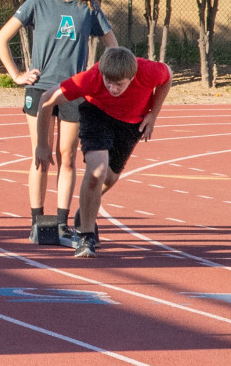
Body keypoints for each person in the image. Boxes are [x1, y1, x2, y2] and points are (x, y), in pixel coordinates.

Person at [0, 0, 118, 241]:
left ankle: (61, 223)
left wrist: (98, 78)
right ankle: (37, 221)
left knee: (68, 157)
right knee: (41, 155)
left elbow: (113, 47)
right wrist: (16, 75)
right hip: (39, 88)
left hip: (74, 91)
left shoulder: (89, 7)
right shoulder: (37, 3)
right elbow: (1, 39)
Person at [35, 47, 171, 258]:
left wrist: (154, 114)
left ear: (133, 77)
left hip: (130, 124)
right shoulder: (91, 78)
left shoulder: (149, 71)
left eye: (119, 84)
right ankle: (86, 236)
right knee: (96, 172)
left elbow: (167, 77)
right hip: (97, 114)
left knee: (110, 177)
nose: (112, 88)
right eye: (109, 82)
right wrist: (42, 144)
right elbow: (46, 99)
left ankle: (86, 209)